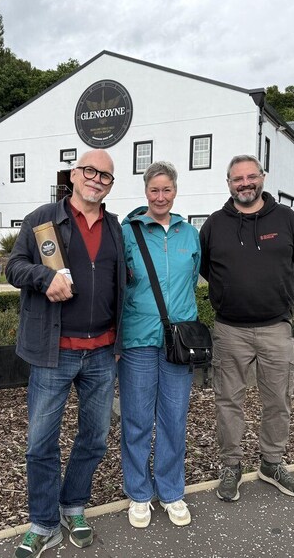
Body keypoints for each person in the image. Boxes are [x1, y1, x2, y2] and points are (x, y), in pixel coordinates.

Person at [5, 149, 125, 558]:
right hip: (53, 352)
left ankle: (73, 505)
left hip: (102, 353)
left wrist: (119, 341)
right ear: (74, 174)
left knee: (94, 438)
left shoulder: (114, 226)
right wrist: (43, 277)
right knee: (40, 443)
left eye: (105, 176)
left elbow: (120, 284)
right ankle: (43, 523)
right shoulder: (43, 219)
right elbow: (13, 267)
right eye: (90, 171)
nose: (96, 179)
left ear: (110, 185)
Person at [199, 154, 294, 503]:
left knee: (278, 399)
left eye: (251, 177)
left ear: (262, 177)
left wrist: (275, 293)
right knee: (228, 401)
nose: (245, 183)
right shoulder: (214, 225)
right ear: (229, 183)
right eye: (238, 179)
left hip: (276, 327)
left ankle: (271, 463)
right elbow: (205, 267)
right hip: (230, 330)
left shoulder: (286, 219)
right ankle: (231, 465)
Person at [119, 161, 201, 529]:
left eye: (167, 189)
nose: (161, 196)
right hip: (138, 338)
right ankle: (139, 493)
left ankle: (170, 491)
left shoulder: (190, 234)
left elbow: (194, 279)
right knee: (136, 419)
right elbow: (119, 283)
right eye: (155, 190)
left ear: (175, 191)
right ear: (146, 192)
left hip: (179, 342)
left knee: (174, 418)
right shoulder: (128, 232)